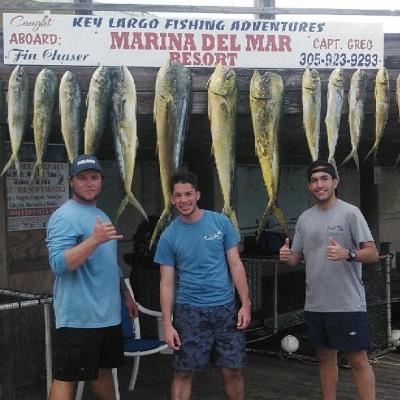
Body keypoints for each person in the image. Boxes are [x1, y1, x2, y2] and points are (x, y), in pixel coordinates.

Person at [279, 160, 379, 400]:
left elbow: (373, 253)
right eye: (314, 180)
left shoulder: (350, 212)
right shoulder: (304, 218)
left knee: (357, 359)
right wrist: (286, 257)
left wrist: (349, 254)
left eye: (324, 179)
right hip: (316, 304)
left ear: (336, 182)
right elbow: (296, 259)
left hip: (347, 303)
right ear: (309, 186)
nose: (319, 184)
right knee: (324, 357)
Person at [46, 154, 138, 400]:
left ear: (101, 180)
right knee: (66, 377)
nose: (89, 183)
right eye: (82, 178)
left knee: (102, 372)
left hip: (107, 315)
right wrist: (94, 240)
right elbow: (59, 264)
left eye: (94, 178)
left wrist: (125, 294)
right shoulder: (63, 217)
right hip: (78, 318)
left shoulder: (101, 215)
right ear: (71, 182)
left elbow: (108, 261)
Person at [154, 170, 251, 400]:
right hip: (189, 311)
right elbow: (166, 283)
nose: (184, 200)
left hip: (225, 309)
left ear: (198, 195)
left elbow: (236, 265)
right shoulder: (168, 235)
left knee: (233, 369)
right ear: (172, 198)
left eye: (188, 194)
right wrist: (167, 324)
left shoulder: (221, 223)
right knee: (183, 371)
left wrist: (245, 304)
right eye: (178, 195)